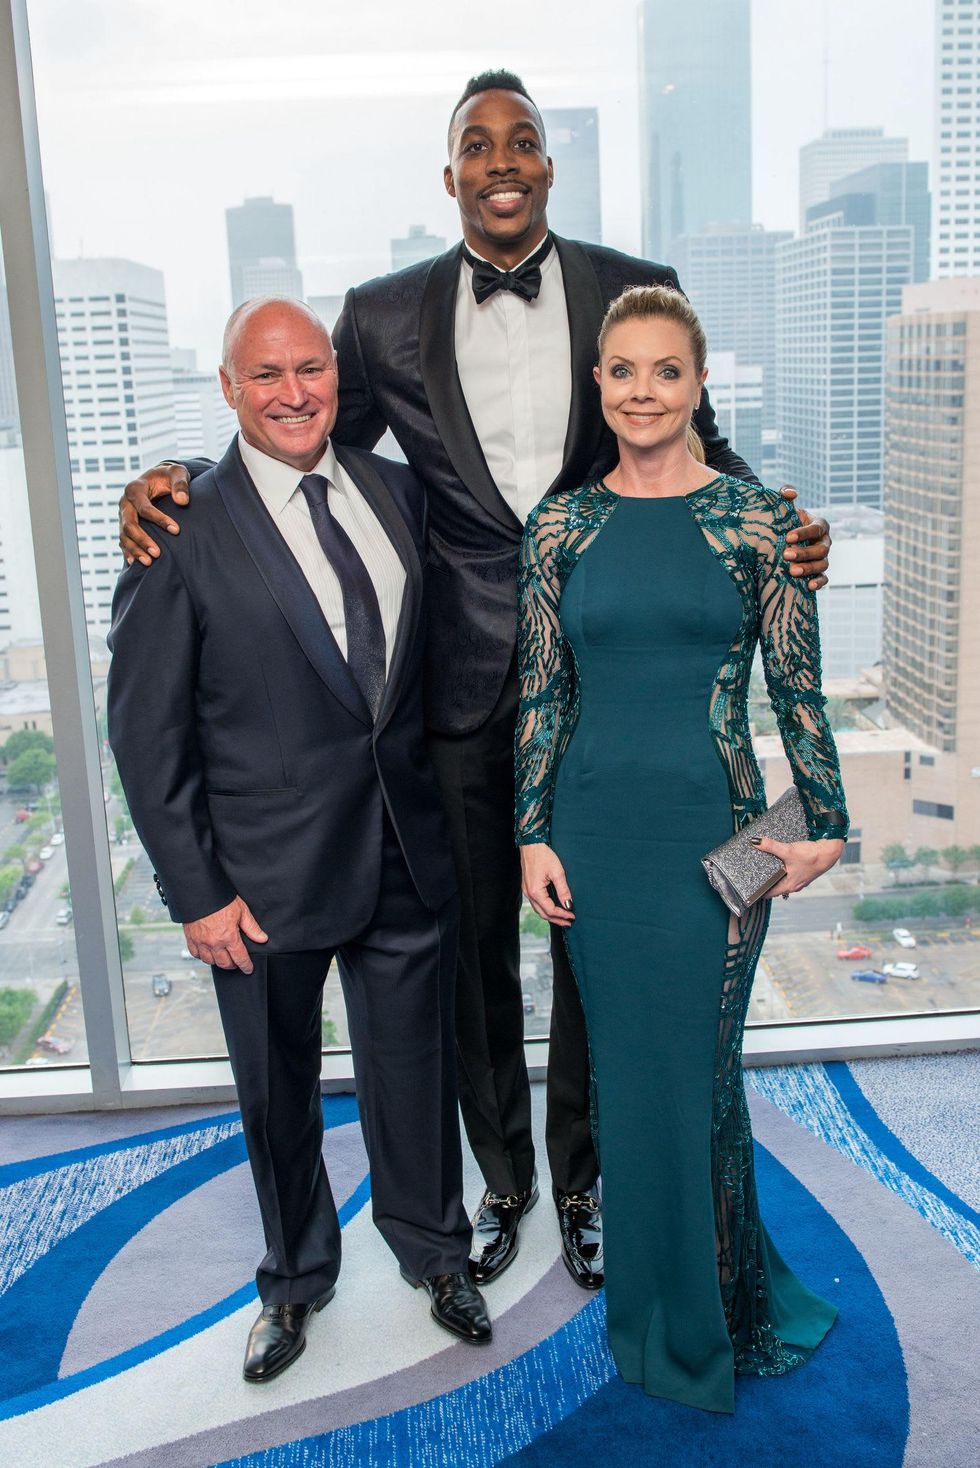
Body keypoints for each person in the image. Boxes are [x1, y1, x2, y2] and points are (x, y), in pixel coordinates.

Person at [116, 70, 833, 1291]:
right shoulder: (380, 314)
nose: (501, 160)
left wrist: (780, 526)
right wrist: (169, 481)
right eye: (476, 144)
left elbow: (689, 436)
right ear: (448, 173)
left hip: (596, 674)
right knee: (466, 957)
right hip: (445, 692)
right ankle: (500, 1179)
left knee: (589, 944)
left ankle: (583, 1177)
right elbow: (300, 438)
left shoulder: (624, 284)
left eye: (523, 141)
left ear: (546, 165)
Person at [107, 299, 491, 1386]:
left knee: (414, 1072)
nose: (293, 392)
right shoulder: (179, 527)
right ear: (229, 389)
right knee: (276, 1093)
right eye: (266, 374)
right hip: (260, 879)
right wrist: (196, 891)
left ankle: (435, 1251)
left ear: (336, 375)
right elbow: (145, 731)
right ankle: (293, 1277)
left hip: (404, 849)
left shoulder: (396, 491)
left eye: (310, 368)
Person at [515, 284, 848, 1414]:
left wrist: (825, 824)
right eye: (622, 370)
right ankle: (671, 1310)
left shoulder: (760, 523)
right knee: (626, 1080)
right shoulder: (557, 528)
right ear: (597, 383)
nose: (643, 391)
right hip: (593, 835)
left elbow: (797, 692)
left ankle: (721, 1312)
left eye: (666, 370)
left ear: (699, 383)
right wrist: (530, 834)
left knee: (699, 1076)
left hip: (725, 836)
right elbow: (542, 698)